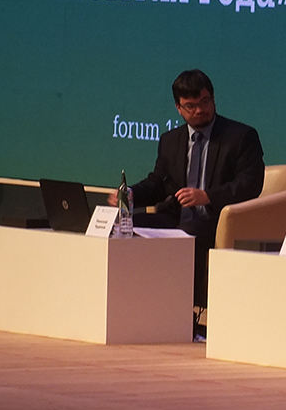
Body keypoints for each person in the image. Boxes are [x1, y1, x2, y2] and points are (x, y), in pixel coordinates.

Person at [110, 69, 264, 335]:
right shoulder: (170, 141)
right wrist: (131, 194)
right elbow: (158, 183)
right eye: (191, 106)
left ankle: (183, 316)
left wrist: (208, 196)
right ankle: (132, 308)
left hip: (215, 221)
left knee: (188, 233)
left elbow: (250, 184)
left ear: (213, 99)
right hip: (175, 217)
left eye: (205, 101)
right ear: (178, 108)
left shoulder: (240, 137)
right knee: (127, 227)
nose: (200, 110)